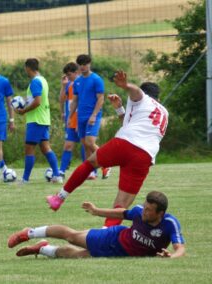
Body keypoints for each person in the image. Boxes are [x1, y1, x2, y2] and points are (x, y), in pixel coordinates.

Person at [47, 70, 169, 228]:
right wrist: (119, 108)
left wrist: (126, 85)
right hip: (145, 155)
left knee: (90, 163)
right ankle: (106, 234)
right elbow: (131, 123)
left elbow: (136, 92)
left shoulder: (142, 98)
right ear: (158, 98)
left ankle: (60, 198)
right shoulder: (164, 112)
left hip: (125, 143)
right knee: (122, 203)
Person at [9, 191, 185, 259]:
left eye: (149, 210)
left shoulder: (170, 224)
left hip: (121, 254)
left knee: (77, 256)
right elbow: (122, 213)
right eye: (145, 207)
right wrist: (96, 210)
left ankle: (41, 249)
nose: (144, 212)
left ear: (160, 214)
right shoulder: (139, 211)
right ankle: (29, 233)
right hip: (113, 237)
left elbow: (180, 248)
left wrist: (172, 257)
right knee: (72, 236)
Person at [14, 58, 61, 183]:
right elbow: (35, 98)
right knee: (45, 148)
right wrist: (24, 101)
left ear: (28, 68)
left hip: (36, 120)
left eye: (25, 68)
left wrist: (23, 111)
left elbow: (37, 101)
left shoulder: (35, 82)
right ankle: (57, 175)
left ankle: (25, 179)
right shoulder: (43, 80)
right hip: (43, 119)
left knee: (29, 148)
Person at [70, 54, 110, 180]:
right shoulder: (77, 81)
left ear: (89, 64)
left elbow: (100, 99)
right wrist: (70, 117)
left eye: (85, 64)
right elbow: (75, 101)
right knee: (85, 145)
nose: (82, 67)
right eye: (80, 64)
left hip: (93, 116)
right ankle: (91, 172)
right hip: (81, 117)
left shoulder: (96, 79)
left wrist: (93, 115)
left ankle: (107, 164)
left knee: (90, 142)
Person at [58, 62, 85, 178]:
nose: (68, 77)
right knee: (68, 145)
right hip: (71, 119)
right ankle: (61, 172)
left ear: (76, 72)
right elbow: (62, 100)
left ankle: (91, 171)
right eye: (67, 75)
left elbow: (82, 102)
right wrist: (63, 86)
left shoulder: (82, 83)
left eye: (70, 75)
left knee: (86, 145)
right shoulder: (68, 84)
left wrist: (80, 120)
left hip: (80, 118)